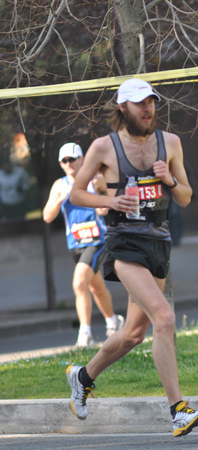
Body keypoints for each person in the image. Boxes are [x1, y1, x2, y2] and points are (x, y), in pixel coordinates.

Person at [65, 78, 198, 437]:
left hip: (157, 241)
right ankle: (178, 410)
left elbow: (187, 198)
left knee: (133, 334)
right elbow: (78, 195)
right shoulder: (104, 147)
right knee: (164, 317)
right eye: (140, 103)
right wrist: (111, 202)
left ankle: (82, 377)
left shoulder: (170, 143)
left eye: (152, 102)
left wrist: (170, 181)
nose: (148, 109)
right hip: (123, 243)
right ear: (122, 108)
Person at [43, 142, 125, 346]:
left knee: (79, 282)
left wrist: (102, 204)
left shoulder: (95, 179)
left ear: (81, 159)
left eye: (72, 159)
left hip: (97, 239)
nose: (68, 163)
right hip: (75, 243)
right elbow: (46, 216)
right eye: (64, 160)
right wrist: (59, 200)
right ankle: (113, 321)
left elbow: (109, 203)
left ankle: (85, 334)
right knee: (95, 286)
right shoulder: (60, 185)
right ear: (60, 164)